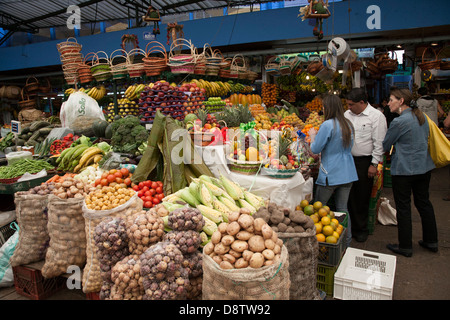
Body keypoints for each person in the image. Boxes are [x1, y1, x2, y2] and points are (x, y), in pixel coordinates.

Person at [382, 87, 438, 257]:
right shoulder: (422, 118)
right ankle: (431, 241)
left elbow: (386, 145)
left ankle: (405, 246)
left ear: (401, 101)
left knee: (404, 207)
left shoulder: (399, 122)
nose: (388, 103)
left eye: (391, 100)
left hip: (404, 170)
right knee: (424, 203)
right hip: (424, 167)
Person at [311, 94, 358, 247]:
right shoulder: (348, 124)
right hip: (348, 172)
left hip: (330, 173)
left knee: (319, 208)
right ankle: (346, 242)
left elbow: (315, 149)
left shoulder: (327, 125)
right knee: (343, 210)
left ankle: (318, 244)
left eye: (324, 107)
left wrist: (312, 136)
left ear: (328, 108)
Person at [344, 88, 387, 242]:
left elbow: (379, 142)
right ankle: (350, 228)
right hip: (348, 160)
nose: (348, 107)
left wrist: (374, 164)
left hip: (365, 162)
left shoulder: (376, 117)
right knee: (349, 195)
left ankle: (361, 229)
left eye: (351, 104)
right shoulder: (347, 115)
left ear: (362, 102)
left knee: (362, 196)